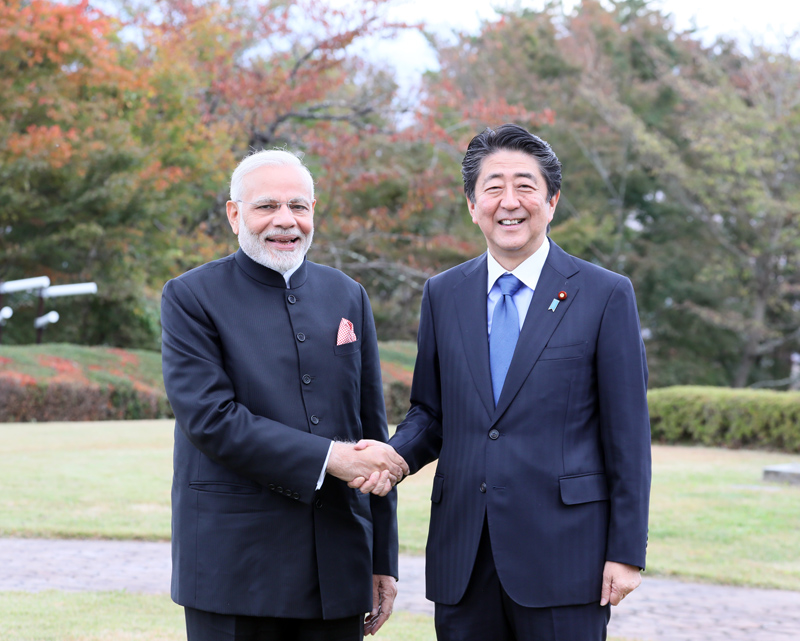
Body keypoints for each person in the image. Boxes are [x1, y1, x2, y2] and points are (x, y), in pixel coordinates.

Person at [355, 124, 651, 640]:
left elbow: (627, 435)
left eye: (525, 186)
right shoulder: (443, 294)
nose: (508, 202)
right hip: (464, 557)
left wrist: (626, 552)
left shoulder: (605, 295)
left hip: (566, 557)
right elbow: (430, 413)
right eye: (492, 187)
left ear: (552, 200)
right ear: (472, 205)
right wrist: (393, 457)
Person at [161, 149, 407, 641]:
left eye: (299, 206)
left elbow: (370, 431)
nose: (285, 221)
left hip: (337, 566)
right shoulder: (190, 297)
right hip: (233, 569)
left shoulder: (348, 295)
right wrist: (330, 458)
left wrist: (382, 560)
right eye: (266, 206)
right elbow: (213, 419)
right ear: (235, 215)